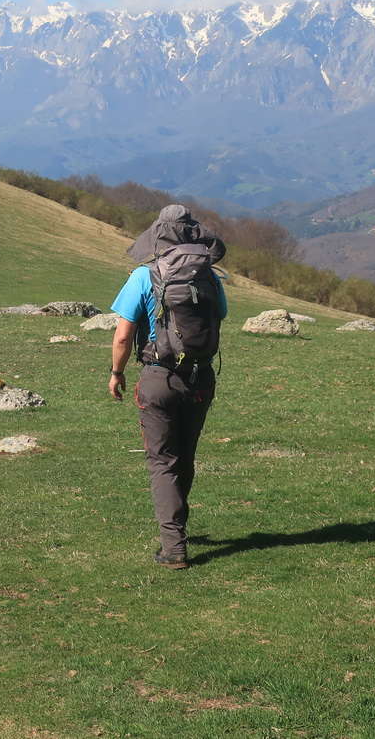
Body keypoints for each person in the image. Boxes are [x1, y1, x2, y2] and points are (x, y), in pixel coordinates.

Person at [108, 205, 227, 570]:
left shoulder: (144, 276)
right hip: (200, 376)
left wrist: (116, 372)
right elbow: (219, 316)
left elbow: (123, 336)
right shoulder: (210, 276)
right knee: (185, 457)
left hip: (159, 377)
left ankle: (173, 547)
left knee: (163, 461)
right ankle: (178, 529)